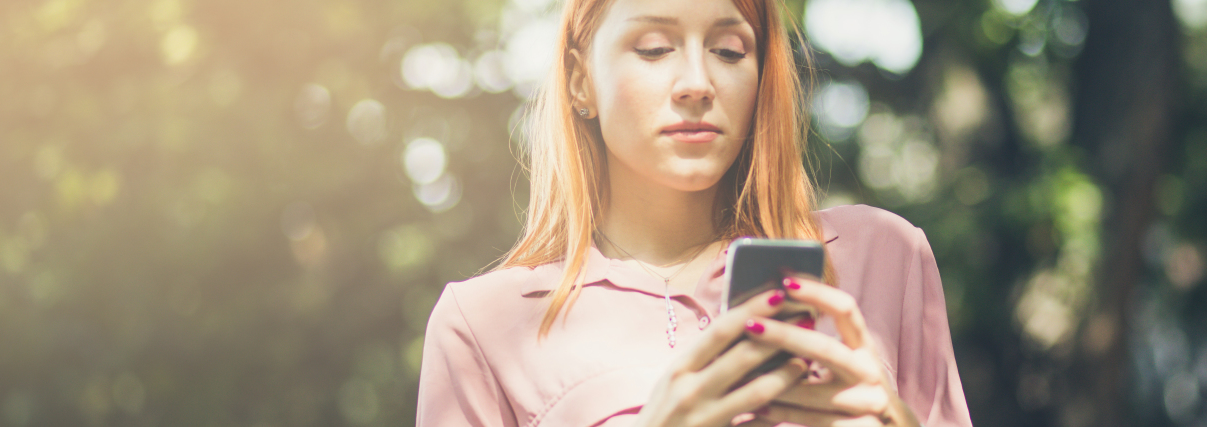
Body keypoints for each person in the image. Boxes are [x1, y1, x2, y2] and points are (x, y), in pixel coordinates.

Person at [416, 0, 972, 425]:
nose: (697, 85)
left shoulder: (883, 255)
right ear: (580, 79)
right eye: (655, 48)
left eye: (729, 51)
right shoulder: (480, 325)